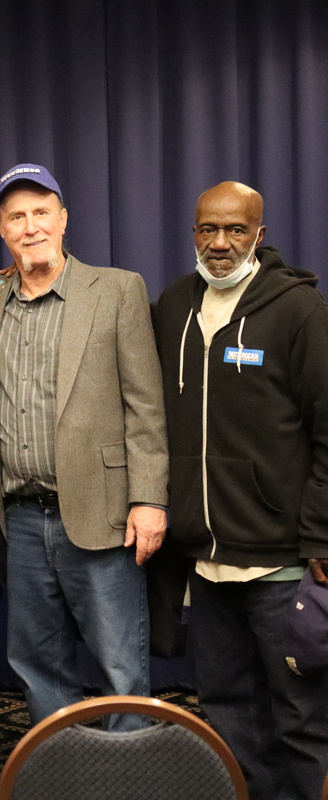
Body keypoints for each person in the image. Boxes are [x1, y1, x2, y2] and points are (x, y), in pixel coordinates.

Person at [0, 164, 168, 729]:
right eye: (16, 217)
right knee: (38, 668)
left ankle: (127, 782)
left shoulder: (117, 289)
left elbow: (146, 406)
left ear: (62, 219)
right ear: (1, 230)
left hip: (104, 514)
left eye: (40, 213)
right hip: (23, 520)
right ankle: (55, 777)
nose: (30, 227)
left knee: (120, 670)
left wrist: (149, 499)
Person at [152, 181, 328, 800]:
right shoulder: (173, 305)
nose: (219, 243)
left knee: (300, 720)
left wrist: (320, 539)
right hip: (204, 562)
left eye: (235, 230)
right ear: (193, 231)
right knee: (227, 712)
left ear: (259, 231)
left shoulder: (299, 311)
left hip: (282, 564)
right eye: (208, 229)